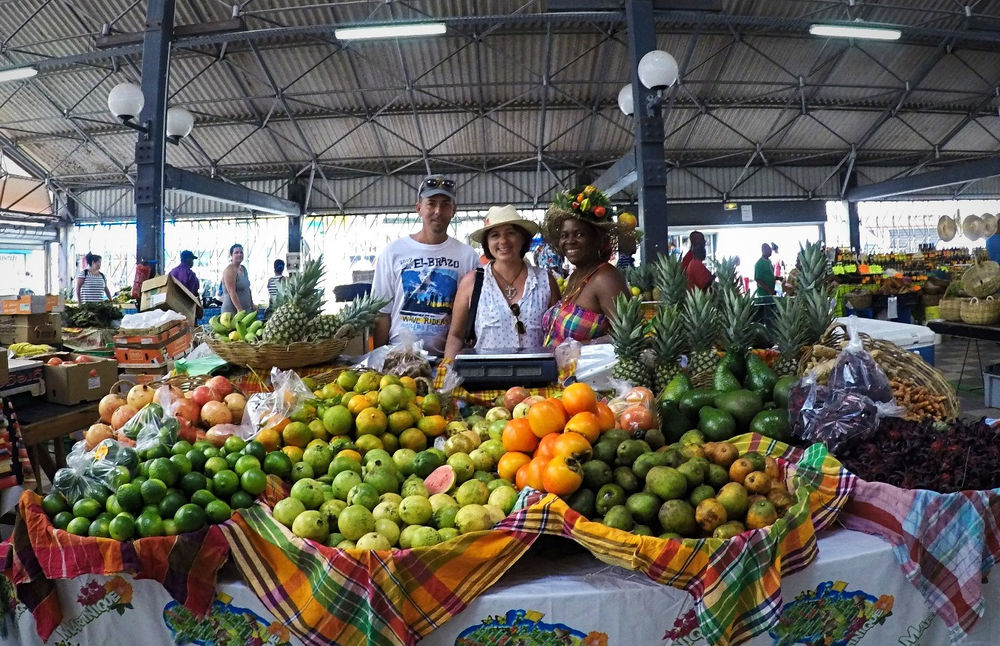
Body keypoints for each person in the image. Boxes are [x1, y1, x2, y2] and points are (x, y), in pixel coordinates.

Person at [371, 174, 480, 356]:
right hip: (399, 359)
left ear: (454, 210)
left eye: (445, 204)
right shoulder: (392, 253)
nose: (438, 210)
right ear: (419, 208)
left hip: (447, 360)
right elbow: (382, 314)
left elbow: (473, 316)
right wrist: (378, 359)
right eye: (431, 203)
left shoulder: (467, 256)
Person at [444, 205, 559, 359]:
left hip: (539, 378)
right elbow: (456, 336)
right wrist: (447, 374)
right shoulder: (472, 283)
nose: (503, 241)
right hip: (485, 378)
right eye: (495, 235)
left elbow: (558, 333)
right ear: (487, 242)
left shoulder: (545, 280)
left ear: (523, 238)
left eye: (511, 233)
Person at [539, 185, 628, 346]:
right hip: (562, 370)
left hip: (589, 371)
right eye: (564, 235)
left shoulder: (606, 278)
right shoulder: (576, 275)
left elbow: (628, 337)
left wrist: (583, 346)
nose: (570, 241)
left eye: (580, 234)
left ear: (598, 239)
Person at [221, 243, 253, 314]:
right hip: (233, 311)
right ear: (231, 255)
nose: (239, 254)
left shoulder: (243, 269)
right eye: (236, 253)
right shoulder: (230, 270)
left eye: (241, 252)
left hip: (246, 309)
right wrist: (239, 309)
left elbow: (247, 289)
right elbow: (231, 291)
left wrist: (252, 304)